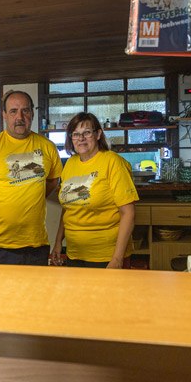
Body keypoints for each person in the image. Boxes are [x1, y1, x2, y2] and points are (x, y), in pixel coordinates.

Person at [0, 90, 63, 265]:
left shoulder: (48, 147)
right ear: (4, 114)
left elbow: (52, 182)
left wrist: (31, 195)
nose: (20, 117)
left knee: (35, 293)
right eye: (13, 111)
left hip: (36, 243)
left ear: (32, 113)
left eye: (25, 110)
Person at [50, 112, 138, 268]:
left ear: (98, 134)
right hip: (74, 253)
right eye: (76, 134)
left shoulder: (113, 162)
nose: (81, 138)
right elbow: (68, 208)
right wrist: (58, 242)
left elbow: (128, 213)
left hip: (106, 257)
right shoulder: (70, 164)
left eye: (87, 133)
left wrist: (117, 259)